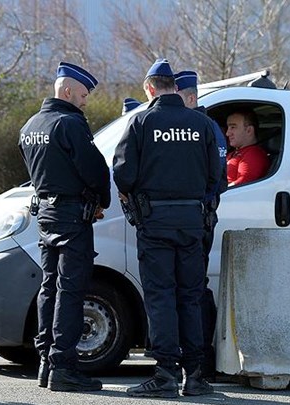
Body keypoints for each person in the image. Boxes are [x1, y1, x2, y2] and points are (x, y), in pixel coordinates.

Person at [114, 58, 219, 398]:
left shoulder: (141, 122)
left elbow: (123, 174)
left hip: (155, 222)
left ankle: (164, 374)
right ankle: (196, 375)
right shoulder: (201, 124)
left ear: (149, 89)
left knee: (161, 297)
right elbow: (217, 175)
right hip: (192, 222)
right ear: (174, 87)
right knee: (190, 297)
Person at [18, 61, 109, 392]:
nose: (85, 101)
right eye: (83, 95)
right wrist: (101, 198)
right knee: (70, 291)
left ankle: (45, 363)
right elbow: (94, 168)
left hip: (45, 215)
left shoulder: (31, 125)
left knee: (49, 287)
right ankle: (64, 366)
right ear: (68, 91)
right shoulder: (70, 123)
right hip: (72, 216)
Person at [175, 70, 226, 380]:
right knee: (189, 288)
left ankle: (202, 360)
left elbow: (217, 178)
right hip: (195, 217)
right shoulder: (191, 126)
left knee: (194, 290)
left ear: (191, 98)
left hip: (201, 218)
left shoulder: (206, 127)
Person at [225, 108, 269, 186]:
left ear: (249, 130)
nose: (227, 133)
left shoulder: (254, 155)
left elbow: (241, 186)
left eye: (233, 127)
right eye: (228, 128)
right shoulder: (234, 153)